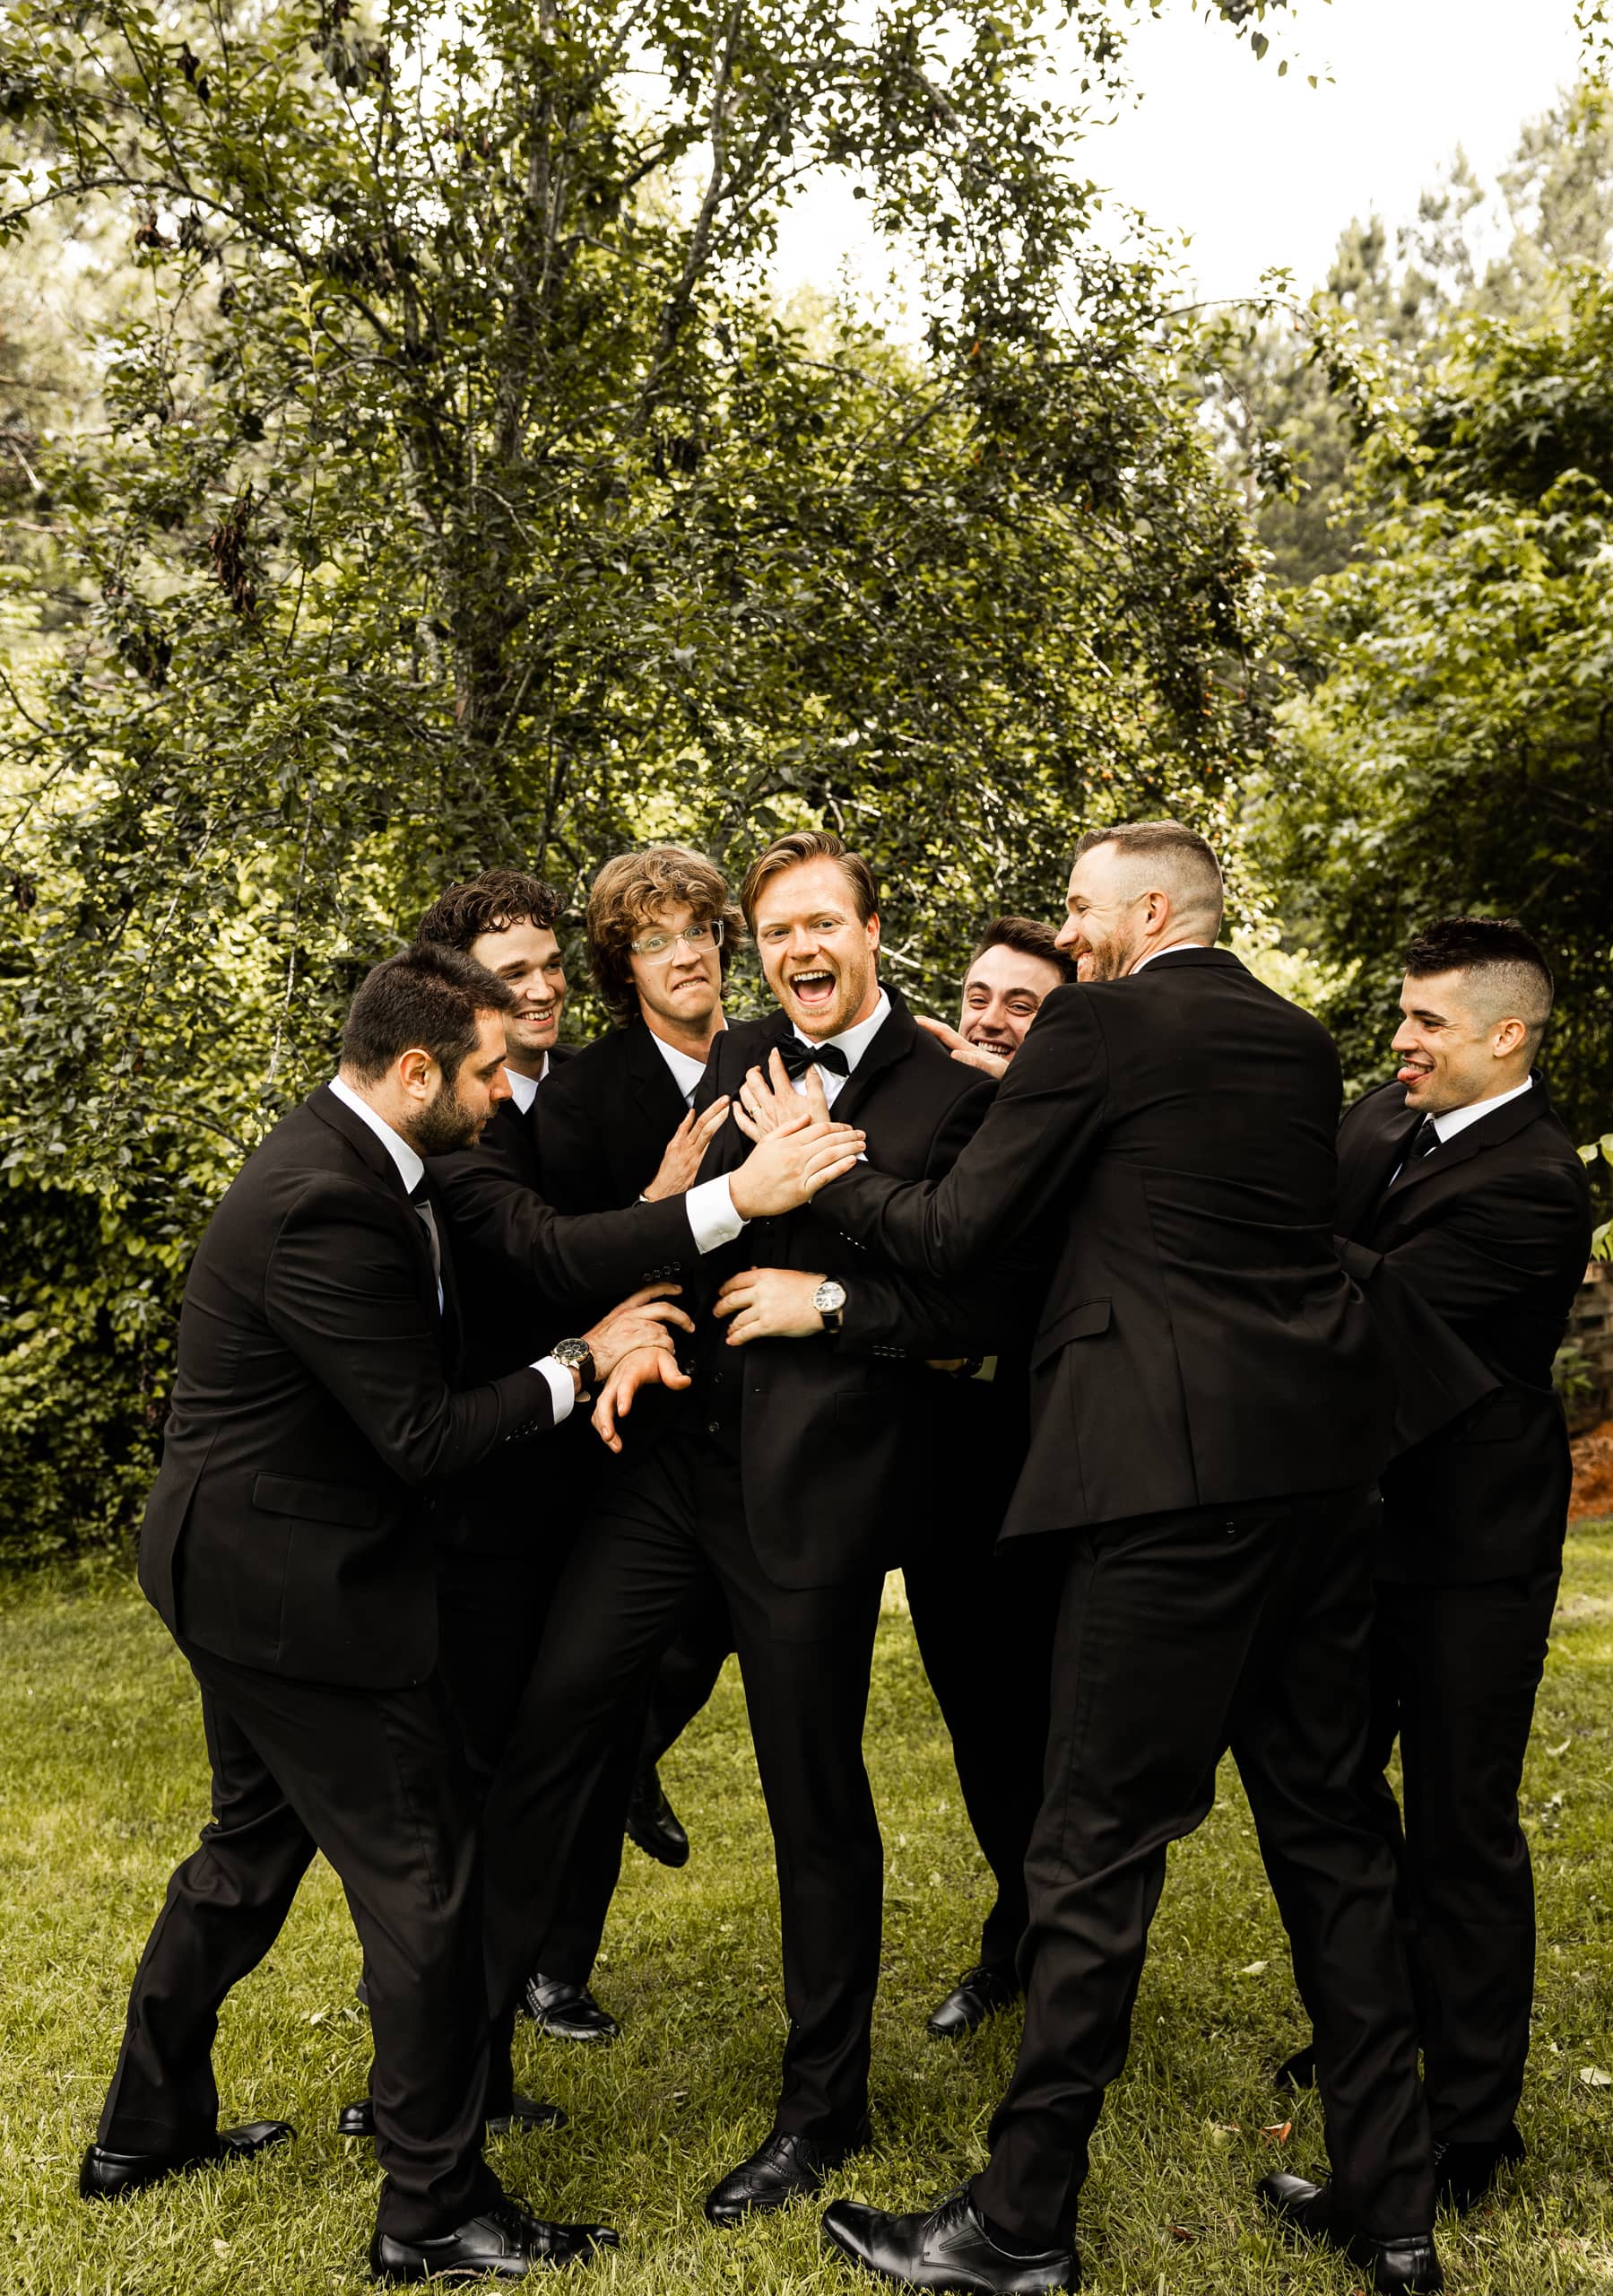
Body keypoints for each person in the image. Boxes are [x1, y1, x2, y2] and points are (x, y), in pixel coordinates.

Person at [773, 821, 1442, 2296]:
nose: (1065, 935)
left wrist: (816, 1174)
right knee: (1331, 1838)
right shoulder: (1290, 1041)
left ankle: (1016, 2225)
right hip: (1317, 1478)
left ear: (1146, 909)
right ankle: (1390, 2212)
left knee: (1087, 1852)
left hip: (1167, 1492)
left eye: (1079, 909)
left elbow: (954, 1230)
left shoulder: (1093, 1022)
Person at [79, 944, 703, 2285]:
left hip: (239, 1566)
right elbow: (422, 1435)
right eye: (487, 1072)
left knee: (249, 1853)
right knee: (425, 1887)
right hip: (295, 1594)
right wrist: (583, 1358)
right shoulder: (326, 1201)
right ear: (417, 1070)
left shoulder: (357, 1163)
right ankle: (432, 2211)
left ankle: (145, 2129)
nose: (504, 1095)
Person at [475, 830, 1008, 2229]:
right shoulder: (739, 1060)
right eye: (776, 932)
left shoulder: (953, 1094)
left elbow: (984, 1300)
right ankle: (456, 2070)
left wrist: (825, 1305)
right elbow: (685, 1226)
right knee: (548, 1734)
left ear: (872, 931)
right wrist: (648, 1312)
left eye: (820, 923)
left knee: (810, 1797)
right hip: (666, 1471)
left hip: (812, 1498)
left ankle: (821, 2111)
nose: (794, 950)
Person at [1274, 917, 1591, 2217]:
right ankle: (1374, 2026)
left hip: (1467, 1550)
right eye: (1400, 1016)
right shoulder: (1380, 1115)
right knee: (1334, 1792)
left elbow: (1371, 1306)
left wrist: (1235, 1202)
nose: (1397, 1042)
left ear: (1505, 1036)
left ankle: (1470, 2128)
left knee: (1462, 1828)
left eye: (1425, 1022)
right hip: (1349, 1528)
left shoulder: (1536, 1182)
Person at [405, 865, 711, 2063]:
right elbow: (545, 1253)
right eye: (509, 974)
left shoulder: (590, 1085)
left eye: (546, 966)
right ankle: (453, 2000)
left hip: (611, 1450)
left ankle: (554, 1964)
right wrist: (666, 1205)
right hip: (495, 1469)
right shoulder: (456, 1120)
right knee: (502, 1746)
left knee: (604, 1708)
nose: (537, 991)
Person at [531, 845, 746, 1941]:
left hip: (763, 1420)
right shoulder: (578, 1098)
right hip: (632, 1434)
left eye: (698, 930)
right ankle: (549, 1953)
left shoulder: (778, 1058)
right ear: (623, 968)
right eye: (654, 940)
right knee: (582, 1691)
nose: (685, 955)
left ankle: (633, 1756)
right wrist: (659, 1203)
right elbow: (562, 1272)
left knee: (700, 1643)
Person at [903, 919, 1081, 2040]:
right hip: (947, 1461)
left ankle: (1065, 1951)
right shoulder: (935, 1108)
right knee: (977, 1717)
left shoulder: (1087, 1120)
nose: (990, 1017)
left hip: (1059, 1458)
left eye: (1023, 1003)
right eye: (978, 995)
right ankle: (1015, 1931)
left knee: (1059, 1727)